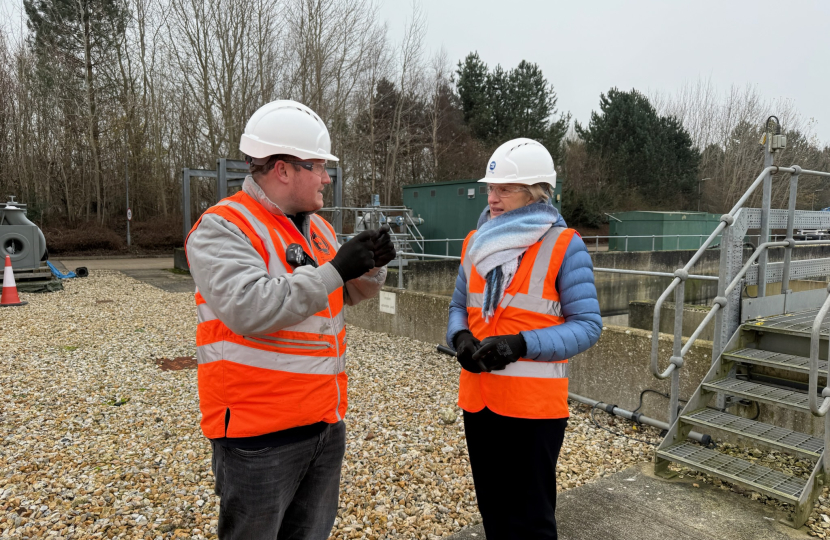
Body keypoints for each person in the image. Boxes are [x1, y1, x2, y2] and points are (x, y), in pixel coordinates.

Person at [185, 99, 396, 539]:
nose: (327, 177)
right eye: (317, 166)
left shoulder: (315, 227)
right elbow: (249, 307)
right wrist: (337, 268)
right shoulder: (223, 226)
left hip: (323, 422)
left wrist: (372, 266)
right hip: (259, 435)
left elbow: (351, 293)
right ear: (283, 169)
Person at [445, 138, 602, 539]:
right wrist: (460, 337)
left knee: (532, 518)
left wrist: (522, 344)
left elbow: (587, 326)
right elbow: (458, 307)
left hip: (534, 409)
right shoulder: (475, 242)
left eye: (503, 189)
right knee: (494, 511)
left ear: (534, 193)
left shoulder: (566, 246)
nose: (492, 199)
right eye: (490, 189)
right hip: (479, 400)